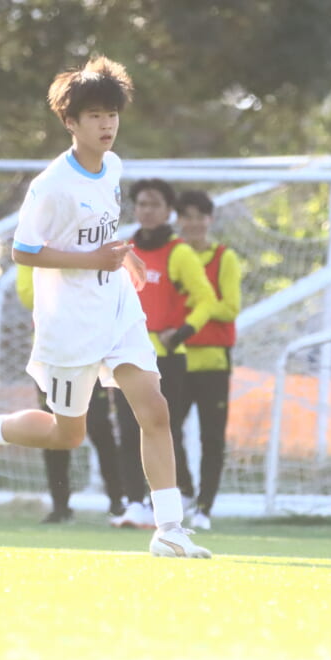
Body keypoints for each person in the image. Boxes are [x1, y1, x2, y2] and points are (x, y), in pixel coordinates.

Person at [0, 55, 211, 558]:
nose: (107, 125)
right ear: (70, 122)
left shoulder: (114, 166)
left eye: (113, 114)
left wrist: (122, 255)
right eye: (95, 116)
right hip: (70, 322)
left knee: (155, 408)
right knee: (67, 435)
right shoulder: (50, 185)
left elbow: (99, 231)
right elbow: (23, 251)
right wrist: (90, 260)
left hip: (116, 306)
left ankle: (169, 529)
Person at [111, 178, 217, 529]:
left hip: (166, 357)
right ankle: (134, 503)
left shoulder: (179, 252)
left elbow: (207, 300)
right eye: (142, 203)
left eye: (155, 204)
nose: (147, 210)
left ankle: (178, 495)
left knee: (161, 427)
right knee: (127, 429)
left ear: (169, 210)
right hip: (125, 352)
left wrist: (182, 332)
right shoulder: (122, 251)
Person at [15, 264, 126, 523]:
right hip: (51, 356)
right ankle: (60, 506)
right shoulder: (34, 250)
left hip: (89, 351)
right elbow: (29, 295)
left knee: (99, 427)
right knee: (53, 429)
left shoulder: (87, 248)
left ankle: (118, 502)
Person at [176, 190, 241, 531]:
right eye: (187, 216)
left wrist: (195, 306)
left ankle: (204, 508)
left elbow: (229, 308)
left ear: (210, 220)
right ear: (178, 220)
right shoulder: (173, 256)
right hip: (175, 359)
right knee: (165, 427)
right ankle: (185, 489)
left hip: (213, 361)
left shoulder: (223, 258)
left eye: (200, 217)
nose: (194, 224)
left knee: (212, 437)